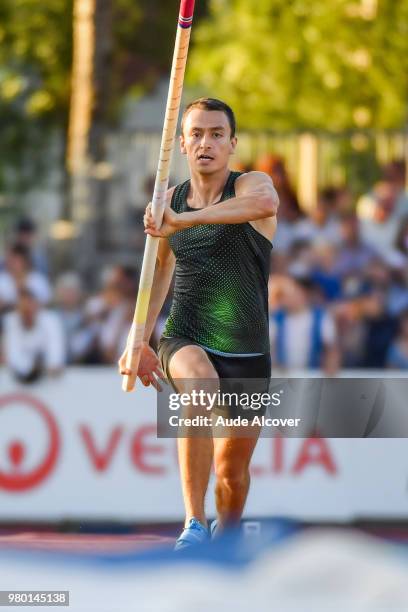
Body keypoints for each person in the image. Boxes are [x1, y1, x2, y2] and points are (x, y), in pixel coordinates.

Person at [118, 98, 278, 548]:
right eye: (196, 134)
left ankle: (224, 546)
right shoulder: (167, 202)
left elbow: (263, 204)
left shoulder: (252, 185)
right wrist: (138, 339)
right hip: (186, 336)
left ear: (232, 143)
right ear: (183, 144)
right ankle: (193, 522)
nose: (205, 142)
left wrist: (184, 221)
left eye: (215, 134)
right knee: (200, 386)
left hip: (247, 348)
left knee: (232, 475)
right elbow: (159, 270)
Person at [2, 289, 65, 383]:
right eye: (23, 310)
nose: (27, 314)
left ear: (37, 307)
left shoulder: (50, 320)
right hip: (22, 375)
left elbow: (55, 349)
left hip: (46, 375)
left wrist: (53, 364)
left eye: (29, 309)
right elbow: (13, 354)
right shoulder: (11, 321)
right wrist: (30, 369)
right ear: (17, 309)